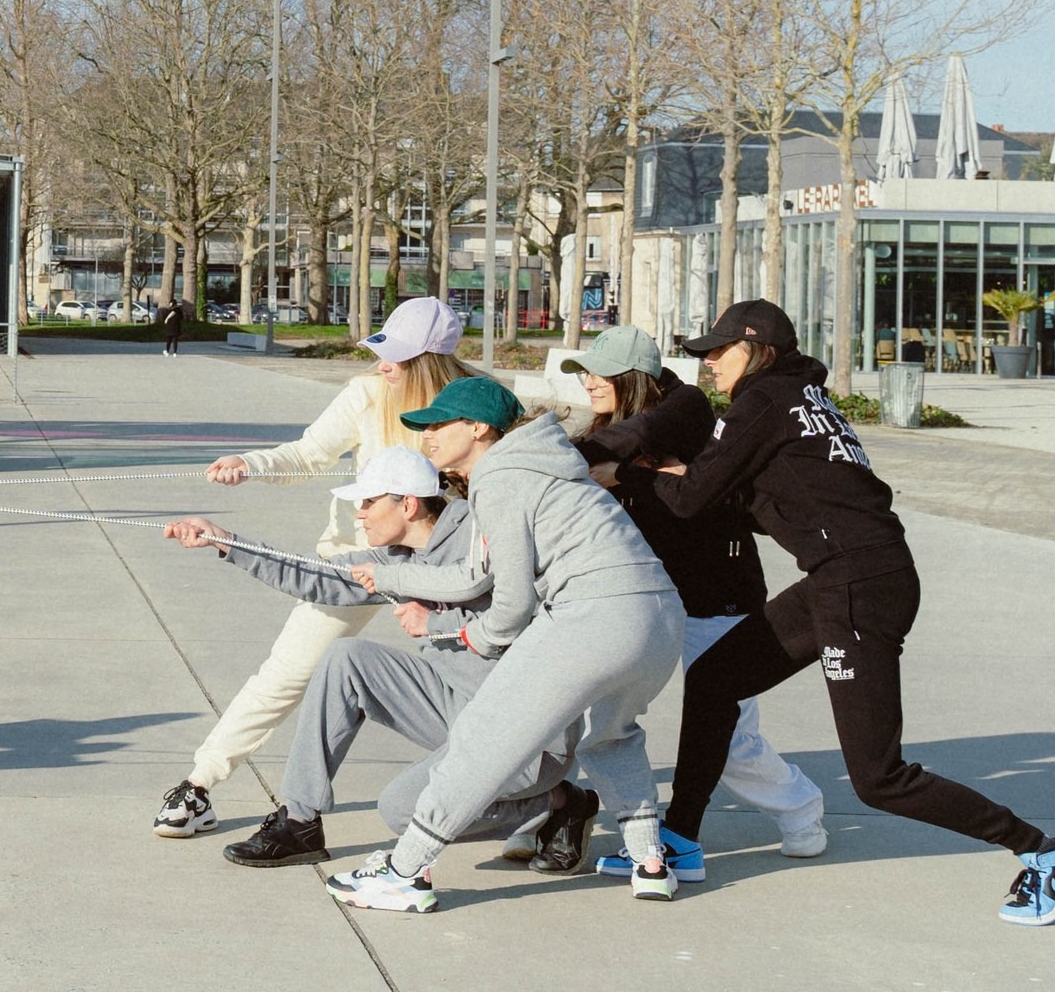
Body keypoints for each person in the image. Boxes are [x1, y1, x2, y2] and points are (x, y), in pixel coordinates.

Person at [651, 300, 1055, 927]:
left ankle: (1047, 855)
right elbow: (784, 500)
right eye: (703, 352)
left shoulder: (763, 403)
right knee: (717, 677)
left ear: (758, 351)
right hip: (852, 574)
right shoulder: (801, 400)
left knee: (878, 778)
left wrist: (657, 475)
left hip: (857, 584)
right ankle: (681, 839)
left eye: (720, 350)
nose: (708, 362)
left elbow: (693, 497)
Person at [325, 375, 686, 914]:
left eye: (440, 424)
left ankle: (404, 873)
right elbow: (476, 576)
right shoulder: (541, 464)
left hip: (592, 615)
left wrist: (470, 636)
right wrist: (396, 579)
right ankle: (651, 864)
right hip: (658, 616)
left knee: (482, 738)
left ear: (478, 428)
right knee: (611, 734)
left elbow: (511, 606)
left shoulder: (500, 474)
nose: (428, 435)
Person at [162, 448, 581, 872]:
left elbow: (521, 621)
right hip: (459, 706)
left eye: (368, 502)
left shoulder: (482, 536)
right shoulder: (396, 557)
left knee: (401, 810)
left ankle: (558, 803)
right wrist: (226, 542)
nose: (359, 514)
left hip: (525, 733)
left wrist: (438, 622)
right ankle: (300, 821)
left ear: (408, 504)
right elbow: (315, 575)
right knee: (346, 657)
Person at [150, 296, 473, 839]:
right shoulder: (368, 394)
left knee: (487, 682)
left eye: (396, 356)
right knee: (285, 675)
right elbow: (309, 452)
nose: (382, 364)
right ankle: (200, 784)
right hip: (358, 563)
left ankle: (534, 799)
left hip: (448, 568)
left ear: (430, 360)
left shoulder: (473, 403)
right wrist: (247, 465)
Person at [558, 324, 827, 878]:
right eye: (583, 372)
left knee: (728, 739)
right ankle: (617, 831)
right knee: (592, 713)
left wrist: (604, 466)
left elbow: (642, 446)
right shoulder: (619, 424)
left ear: (634, 377)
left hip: (716, 596)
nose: (587, 382)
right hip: (646, 599)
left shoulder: (685, 408)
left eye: (598, 372)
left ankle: (802, 811)